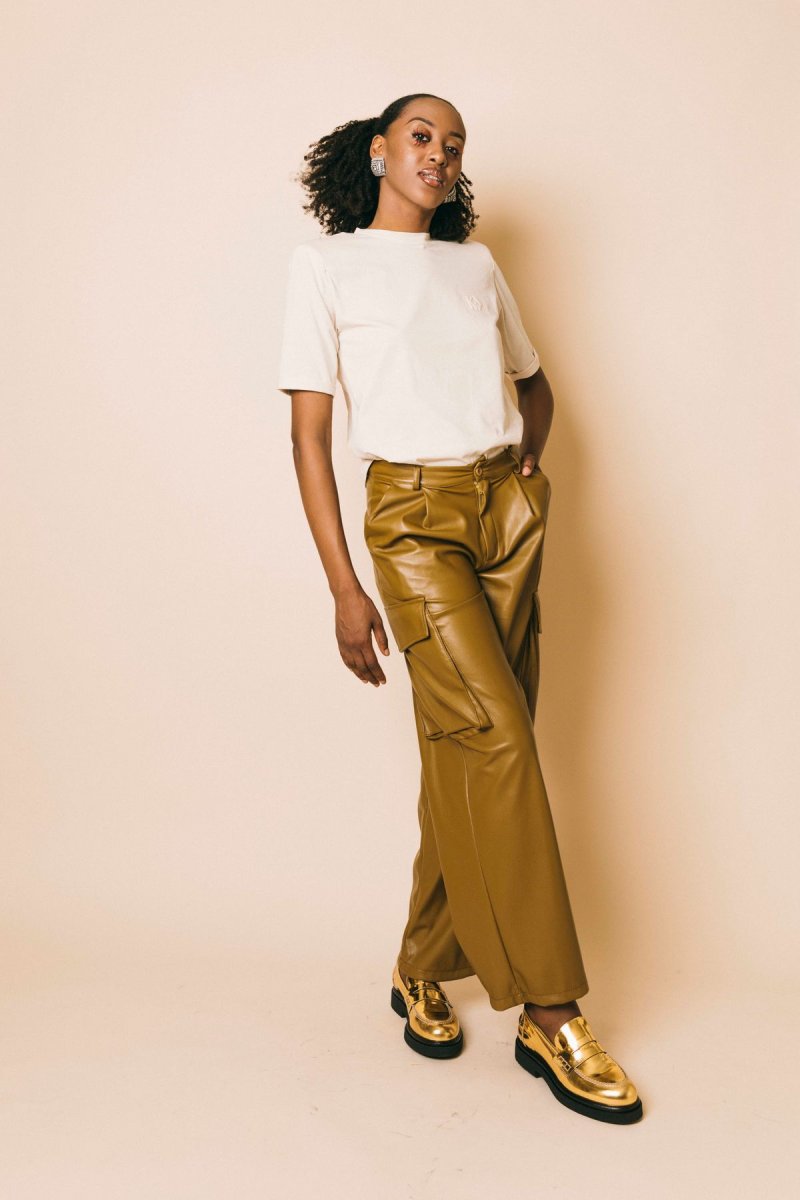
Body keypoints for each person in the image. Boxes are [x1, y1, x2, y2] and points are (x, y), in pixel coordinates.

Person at [276, 92, 643, 1125]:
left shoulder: (473, 266)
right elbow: (309, 437)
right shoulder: (327, 266)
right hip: (412, 520)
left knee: (472, 747)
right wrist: (343, 586)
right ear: (378, 151)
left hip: (505, 516)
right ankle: (551, 1012)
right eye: (421, 136)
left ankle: (419, 964)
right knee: (500, 744)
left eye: (454, 143)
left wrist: (524, 469)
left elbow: (535, 387)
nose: (438, 153)